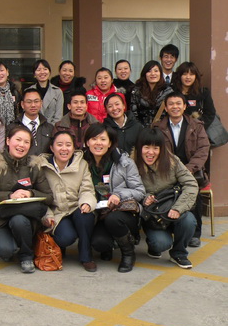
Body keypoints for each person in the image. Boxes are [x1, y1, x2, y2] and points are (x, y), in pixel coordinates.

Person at [0, 125, 53, 273]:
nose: (21, 145)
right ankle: (14, 241)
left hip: (25, 218)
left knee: (18, 219)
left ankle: (26, 256)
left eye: (26, 142)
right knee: (6, 251)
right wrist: (9, 196)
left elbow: (49, 197)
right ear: (8, 141)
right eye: (18, 140)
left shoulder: (34, 165)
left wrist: (31, 193)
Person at [83, 124, 145, 272]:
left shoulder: (124, 163)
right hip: (99, 213)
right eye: (94, 139)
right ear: (87, 142)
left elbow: (140, 191)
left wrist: (118, 194)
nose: (98, 143)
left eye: (103, 139)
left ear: (110, 143)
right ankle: (108, 245)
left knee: (113, 219)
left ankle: (128, 253)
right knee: (99, 243)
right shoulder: (82, 163)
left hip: (122, 213)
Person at [134, 127, 197, 269]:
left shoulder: (172, 161)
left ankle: (179, 253)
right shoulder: (132, 164)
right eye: (146, 147)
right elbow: (129, 188)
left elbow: (191, 184)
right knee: (160, 244)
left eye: (155, 148)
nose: (150, 152)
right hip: (152, 215)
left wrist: (178, 208)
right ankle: (153, 245)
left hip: (171, 207)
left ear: (161, 149)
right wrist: (144, 198)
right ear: (139, 148)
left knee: (189, 221)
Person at [153, 91, 210, 247]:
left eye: (178, 103)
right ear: (166, 108)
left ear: (184, 106)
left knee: (194, 194)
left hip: (191, 171)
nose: (175, 107)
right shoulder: (158, 127)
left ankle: (194, 234)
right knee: (164, 195)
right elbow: (155, 150)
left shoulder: (196, 126)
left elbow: (203, 149)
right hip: (167, 171)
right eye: (171, 104)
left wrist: (189, 169)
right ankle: (166, 229)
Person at [38, 131, 98, 272]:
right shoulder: (42, 166)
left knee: (86, 217)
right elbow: (40, 196)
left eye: (68, 145)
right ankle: (60, 245)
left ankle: (86, 257)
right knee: (65, 237)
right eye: (59, 145)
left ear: (73, 148)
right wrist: (47, 215)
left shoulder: (81, 164)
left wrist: (86, 203)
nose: (64, 149)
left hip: (76, 208)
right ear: (52, 148)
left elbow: (87, 189)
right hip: (57, 212)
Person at [9, 88, 54, 155]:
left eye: (36, 101)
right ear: (22, 104)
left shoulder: (49, 128)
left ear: (41, 103)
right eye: (29, 102)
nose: (33, 105)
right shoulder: (13, 127)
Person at [172, 62, 216, 130]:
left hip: (197, 130)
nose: (188, 77)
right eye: (184, 74)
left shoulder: (203, 92)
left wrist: (198, 128)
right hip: (175, 129)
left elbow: (210, 114)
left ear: (196, 76)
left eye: (191, 74)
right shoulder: (172, 92)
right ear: (179, 76)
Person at [130, 60, 173, 127]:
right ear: (145, 74)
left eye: (156, 71)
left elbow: (171, 112)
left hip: (162, 128)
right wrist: (141, 128)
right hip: (141, 129)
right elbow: (133, 113)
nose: (153, 74)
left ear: (160, 73)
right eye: (149, 71)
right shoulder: (137, 91)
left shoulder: (167, 91)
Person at [28, 59, 63, 125]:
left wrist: (49, 129)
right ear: (34, 74)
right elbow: (27, 113)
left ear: (49, 72)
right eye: (38, 70)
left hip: (52, 128)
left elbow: (58, 116)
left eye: (45, 69)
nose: (42, 72)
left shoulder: (57, 92)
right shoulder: (28, 91)